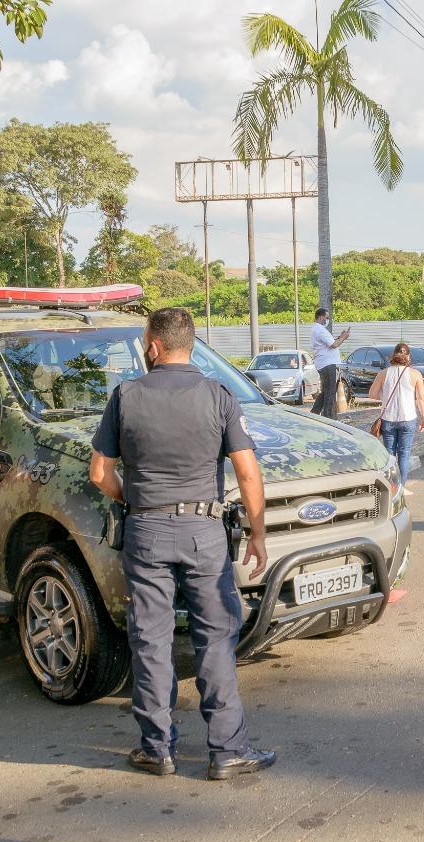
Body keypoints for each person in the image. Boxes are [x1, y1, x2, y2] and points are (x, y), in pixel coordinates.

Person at [89, 307, 276, 780]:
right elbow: (248, 471)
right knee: (215, 638)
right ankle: (227, 751)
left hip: (145, 531)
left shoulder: (125, 395)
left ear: (153, 346)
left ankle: (157, 749)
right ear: (189, 345)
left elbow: (99, 473)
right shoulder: (218, 395)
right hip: (204, 534)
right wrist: (257, 532)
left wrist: (137, 498)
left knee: (150, 640)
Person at [368, 343, 424, 494]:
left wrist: (385, 395)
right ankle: (400, 488)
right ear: (408, 357)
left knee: (389, 454)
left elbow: (372, 394)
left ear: (393, 355)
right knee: (404, 453)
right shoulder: (415, 374)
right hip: (408, 418)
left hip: (388, 418)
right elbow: (421, 398)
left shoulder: (383, 373)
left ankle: (389, 488)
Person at [310, 308, 349, 419]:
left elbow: (330, 342)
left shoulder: (317, 329)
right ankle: (328, 418)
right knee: (330, 393)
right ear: (321, 317)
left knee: (325, 393)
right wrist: (344, 338)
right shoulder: (320, 330)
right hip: (328, 365)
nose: (327, 320)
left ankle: (314, 414)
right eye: (326, 317)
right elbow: (334, 345)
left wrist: (341, 337)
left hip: (324, 364)